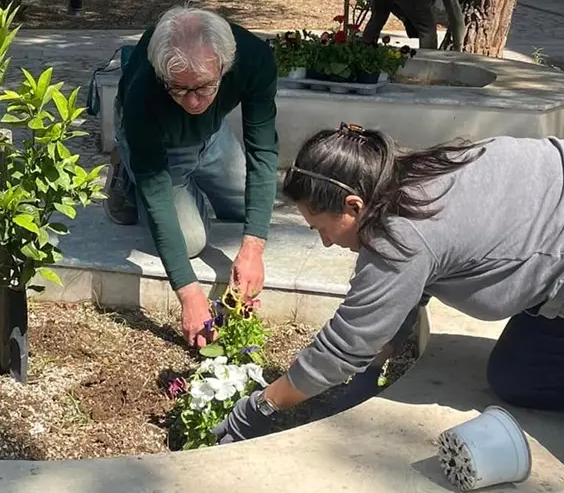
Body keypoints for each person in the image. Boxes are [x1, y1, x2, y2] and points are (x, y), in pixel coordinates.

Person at [215, 123, 564, 443]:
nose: (324, 242)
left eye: (321, 227)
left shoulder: (402, 234)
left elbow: (345, 344)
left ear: (353, 206)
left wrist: (263, 405)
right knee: (514, 374)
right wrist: (375, 360)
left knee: (522, 380)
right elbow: (407, 292)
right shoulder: (409, 175)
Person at [105, 7, 279, 348]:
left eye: (204, 87)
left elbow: (263, 150)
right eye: (179, 90)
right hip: (157, 143)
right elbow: (157, 195)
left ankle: (189, 174)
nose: (194, 101)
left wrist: (253, 247)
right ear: (162, 74)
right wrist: (188, 294)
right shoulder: (144, 89)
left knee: (255, 208)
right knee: (190, 241)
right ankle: (128, 173)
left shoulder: (255, 59)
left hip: (212, 137)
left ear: (225, 66)